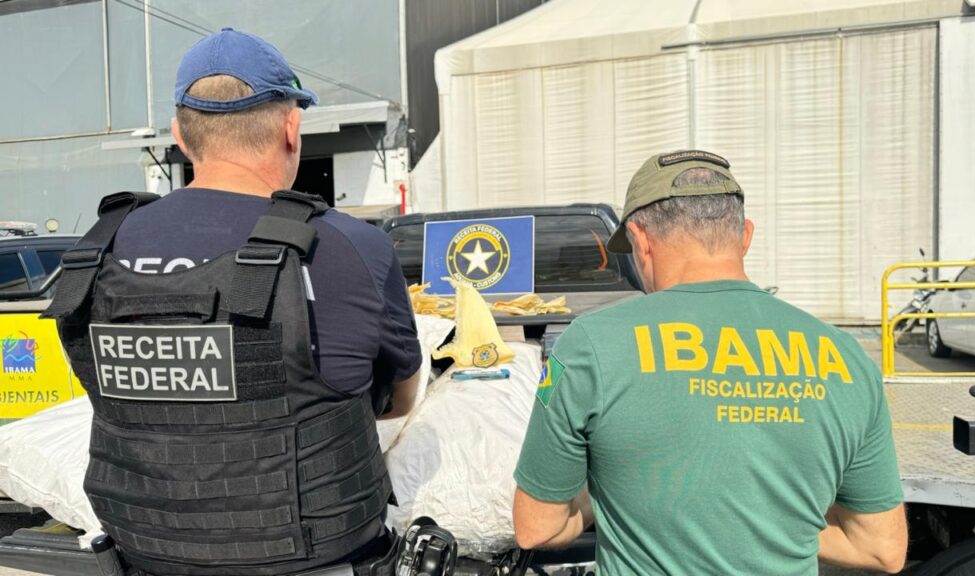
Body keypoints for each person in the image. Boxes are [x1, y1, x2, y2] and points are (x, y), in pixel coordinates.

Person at [45, 28, 420, 575]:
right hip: (319, 560)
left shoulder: (95, 250)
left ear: (179, 134)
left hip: (144, 559)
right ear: (292, 127)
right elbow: (400, 400)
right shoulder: (348, 246)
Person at [512, 150, 907, 575]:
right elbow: (881, 549)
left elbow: (537, 528)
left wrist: (605, 494)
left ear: (641, 239)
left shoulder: (589, 345)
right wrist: (771, 523)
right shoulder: (847, 357)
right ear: (745, 238)